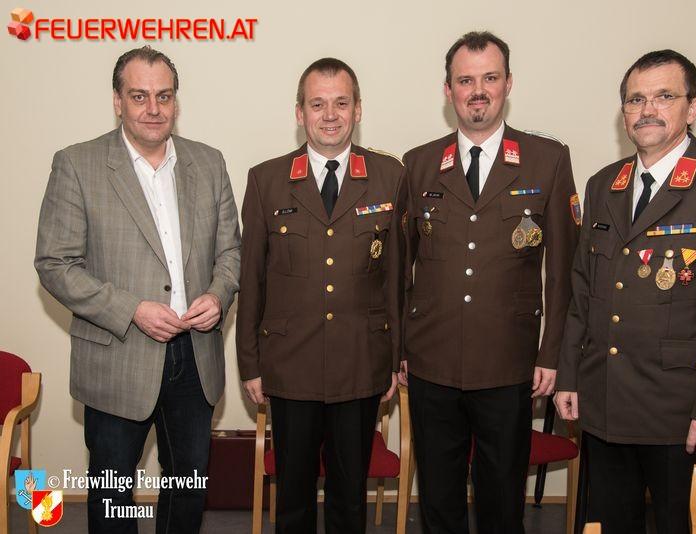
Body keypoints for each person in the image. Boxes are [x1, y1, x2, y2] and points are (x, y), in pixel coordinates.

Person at [555, 49, 696, 534]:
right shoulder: (603, 185)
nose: (647, 110)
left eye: (664, 97)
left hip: (682, 413)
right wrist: (569, 375)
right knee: (609, 525)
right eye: (635, 99)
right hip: (605, 401)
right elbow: (583, 292)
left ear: (692, 107)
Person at [34, 46, 241, 533]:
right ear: (117, 101)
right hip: (118, 356)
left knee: (187, 493)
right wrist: (131, 309)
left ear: (176, 102)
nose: (154, 108)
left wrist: (218, 295)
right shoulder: (78, 164)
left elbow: (231, 252)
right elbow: (55, 264)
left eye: (164, 96)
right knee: (112, 499)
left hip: (195, 357)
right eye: (139, 96)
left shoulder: (209, 163)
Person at [400, 31, 580, 533]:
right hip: (432, 361)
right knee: (438, 503)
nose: (477, 91)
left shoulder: (547, 159)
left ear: (508, 84)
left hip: (509, 363)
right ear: (448, 90)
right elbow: (399, 268)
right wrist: (400, 347)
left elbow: (564, 271)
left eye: (489, 78)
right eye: (465, 81)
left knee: (502, 504)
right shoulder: (418, 164)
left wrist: (552, 354)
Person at [236, 57, 405, 534]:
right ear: (299, 113)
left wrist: (394, 358)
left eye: (341, 103)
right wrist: (250, 363)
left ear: (358, 110)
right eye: (317, 104)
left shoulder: (389, 176)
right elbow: (252, 279)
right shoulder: (266, 180)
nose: (330, 115)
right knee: (293, 498)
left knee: (349, 499)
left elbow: (396, 278)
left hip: (360, 362)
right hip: (290, 365)